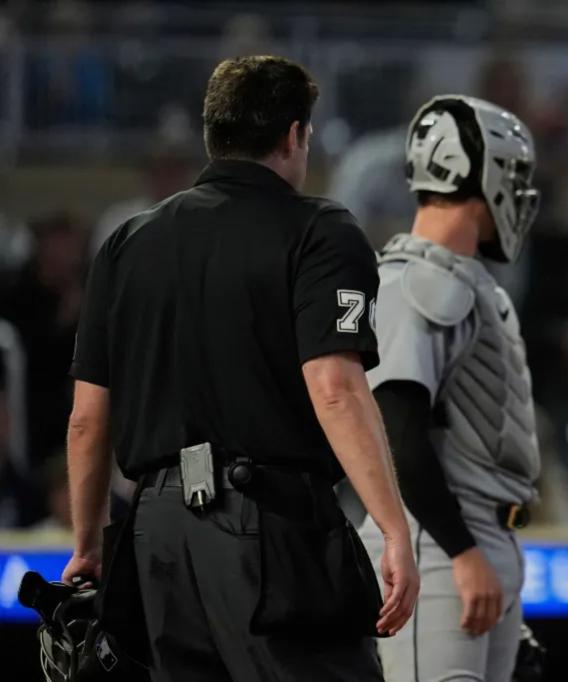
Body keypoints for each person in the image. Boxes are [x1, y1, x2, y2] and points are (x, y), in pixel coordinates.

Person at [63, 55, 418, 681]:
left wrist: (89, 546)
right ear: (294, 134)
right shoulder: (321, 228)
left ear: (213, 133)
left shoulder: (127, 241)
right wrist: (392, 525)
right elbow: (334, 387)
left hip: (156, 533)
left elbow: (88, 421)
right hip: (267, 524)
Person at [358, 94, 541, 682]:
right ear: (474, 171)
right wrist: (462, 552)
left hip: (486, 537)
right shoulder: (413, 279)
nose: (519, 192)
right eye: (511, 175)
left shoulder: (468, 281)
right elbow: (396, 434)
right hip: (435, 546)